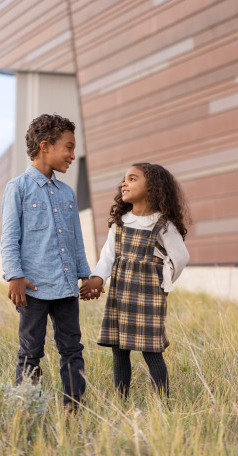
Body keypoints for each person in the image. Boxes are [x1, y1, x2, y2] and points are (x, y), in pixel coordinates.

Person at [1, 114, 91, 412]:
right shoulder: (19, 188)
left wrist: (85, 275)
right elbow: (10, 238)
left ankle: (74, 410)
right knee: (30, 352)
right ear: (45, 146)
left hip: (66, 288)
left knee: (72, 350)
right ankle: (26, 410)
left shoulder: (67, 193)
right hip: (33, 288)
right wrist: (14, 276)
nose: (72, 155)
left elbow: (76, 241)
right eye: (68, 147)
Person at [80, 162, 190, 400]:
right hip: (120, 293)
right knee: (119, 349)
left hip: (149, 296)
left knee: (151, 351)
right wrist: (98, 278)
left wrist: (165, 282)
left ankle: (163, 402)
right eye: (124, 179)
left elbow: (181, 257)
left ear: (153, 187)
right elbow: (108, 255)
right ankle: (122, 400)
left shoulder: (163, 225)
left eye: (132, 178)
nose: (124, 183)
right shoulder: (121, 222)